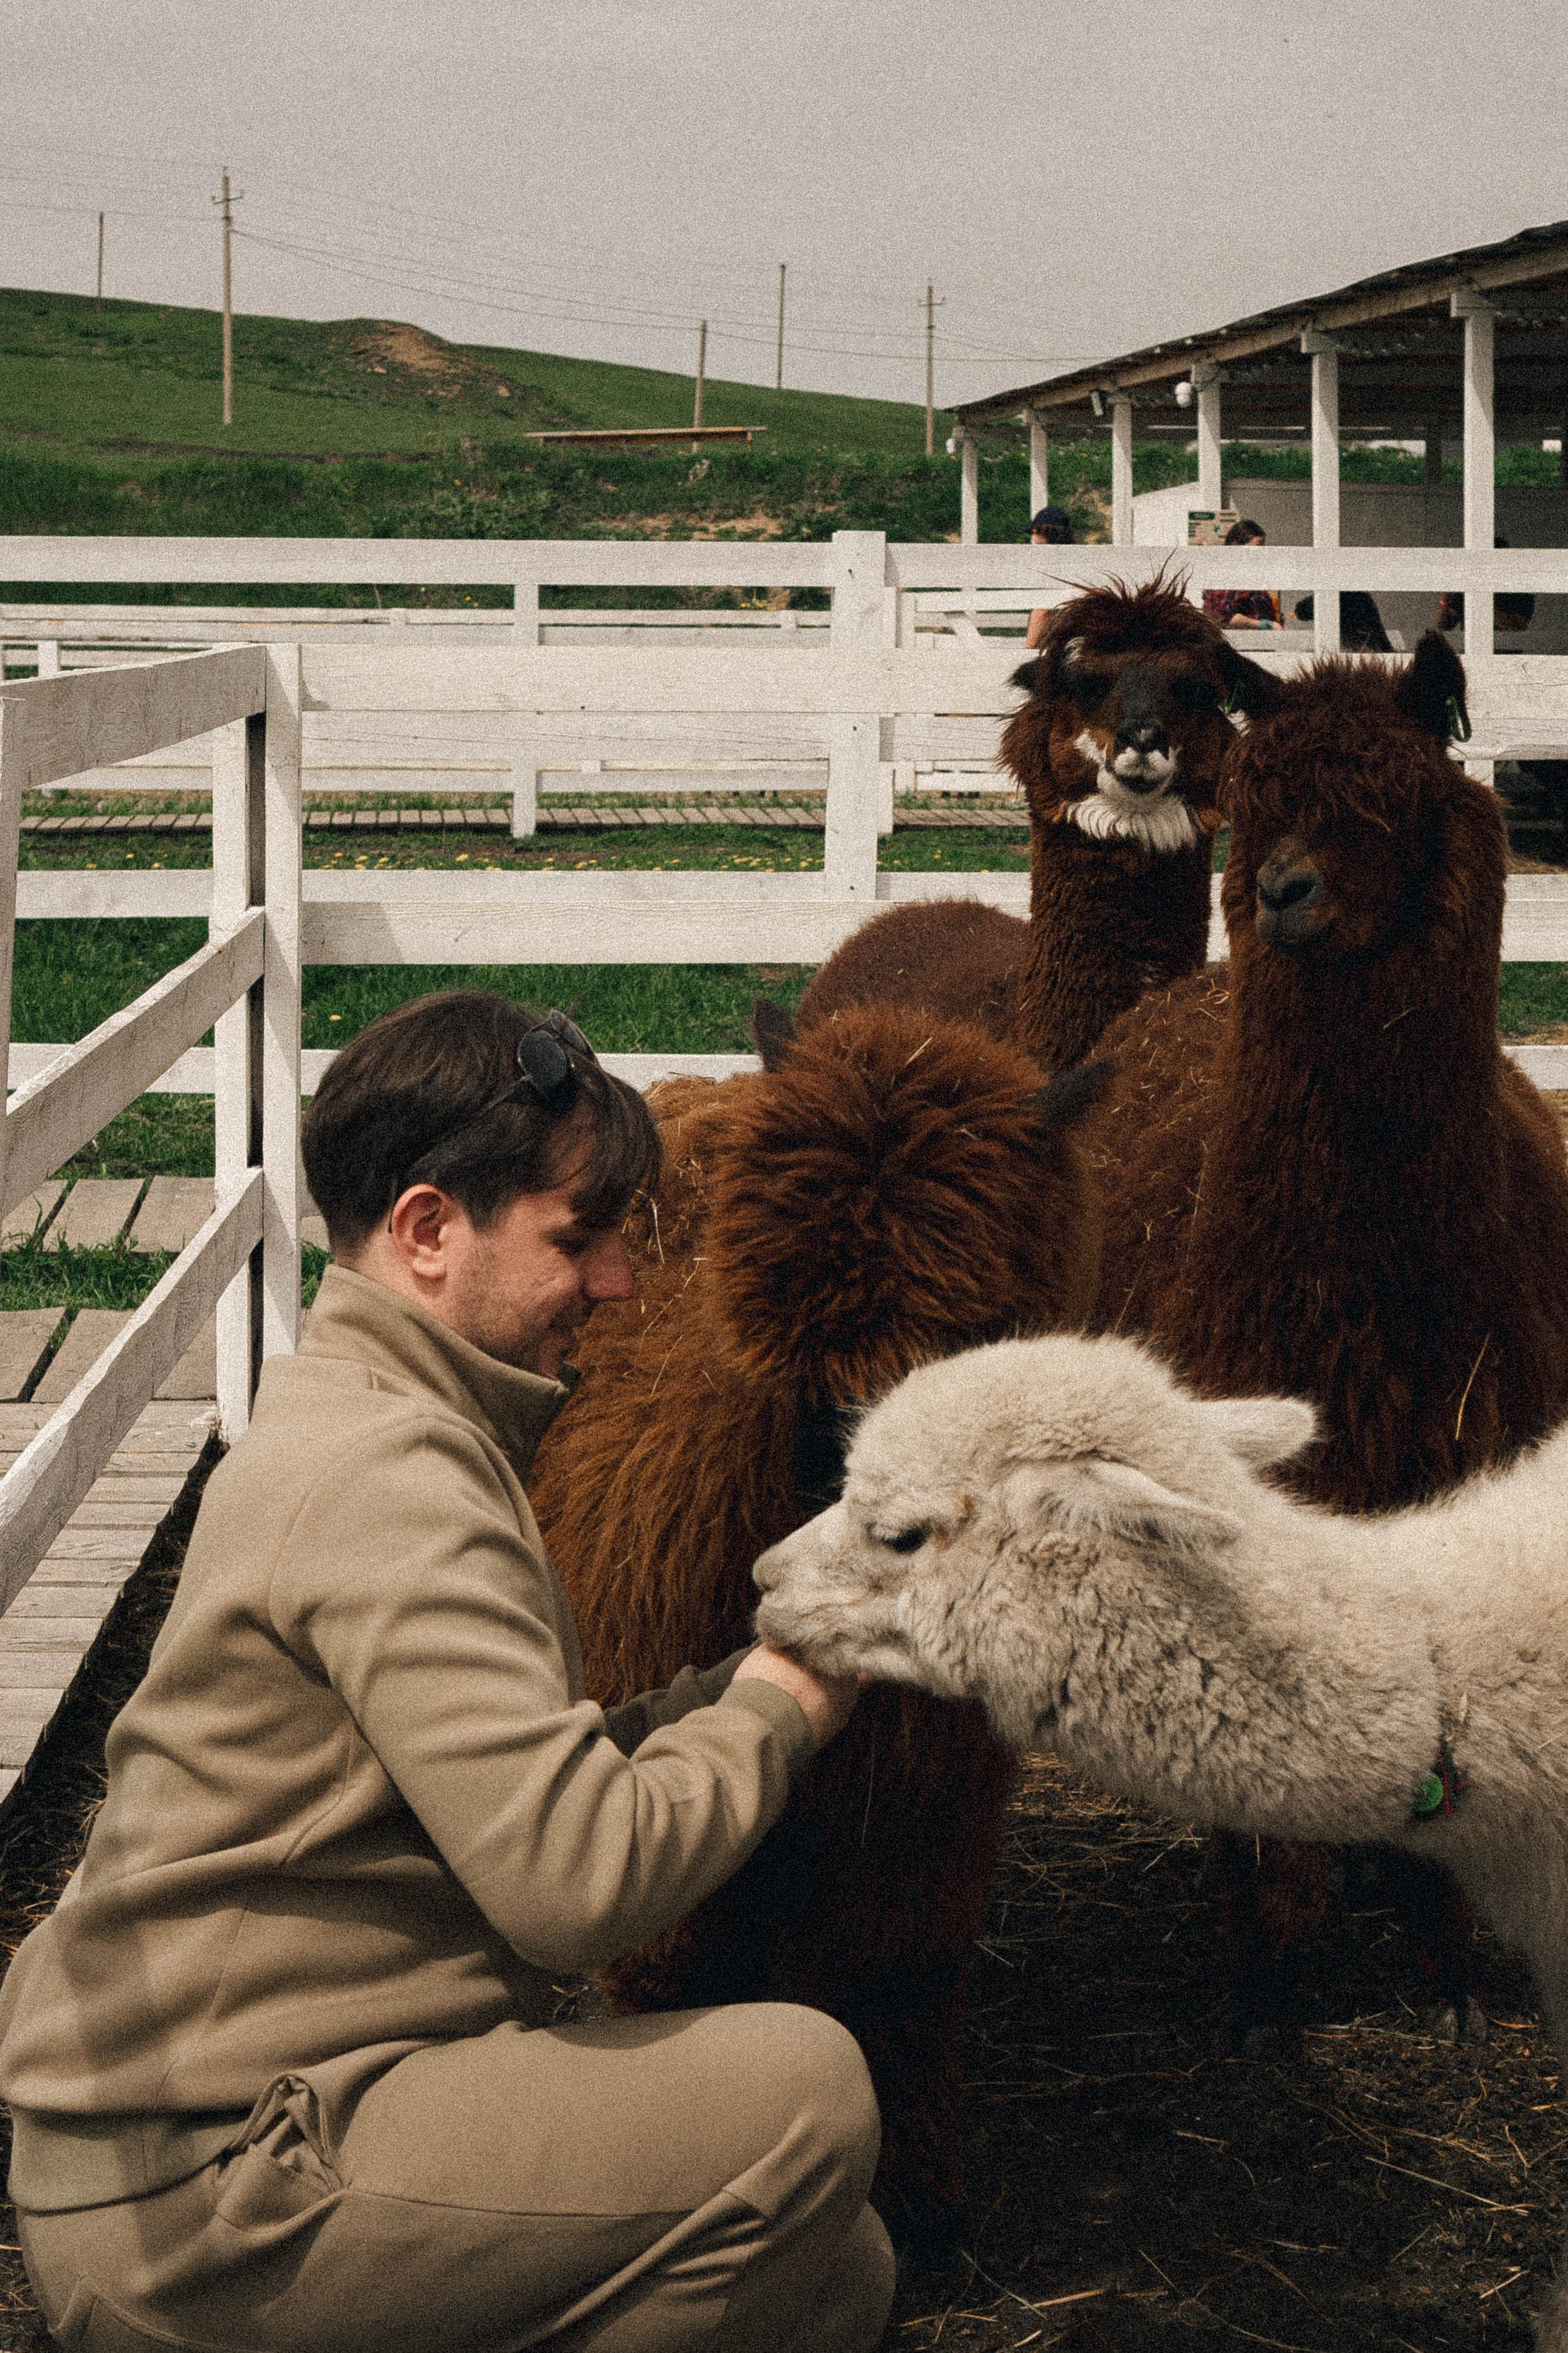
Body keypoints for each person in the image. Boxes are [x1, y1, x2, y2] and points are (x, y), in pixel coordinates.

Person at [0, 992, 895, 2353]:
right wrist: (784, 1698)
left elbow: (523, 1769)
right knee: (810, 2098)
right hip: (210, 2187)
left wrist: (719, 1693)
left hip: (252, 2112)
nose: (618, 1284)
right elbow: (576, 1882)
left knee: (835, 2273)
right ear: (428, 1230)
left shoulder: (372, 1415)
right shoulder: (391, 1479)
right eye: (579, 1241)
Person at [1201, 517, 1281, 631]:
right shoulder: (1224, 575)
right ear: (1235, 546)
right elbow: (1223, 616)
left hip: (1260, 643)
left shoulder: (1249, 575)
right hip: (1240, 645)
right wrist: (1261, 625)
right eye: (1256, 549)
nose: (1260, 554)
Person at [1023, 504, 1075, 652]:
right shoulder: (1075, 560)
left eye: (1035, 532)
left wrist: (1028, 649)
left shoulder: (1053, 565)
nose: (1033, 538)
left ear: (1047, 532)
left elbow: (1043, 611)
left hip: (1052, 647)